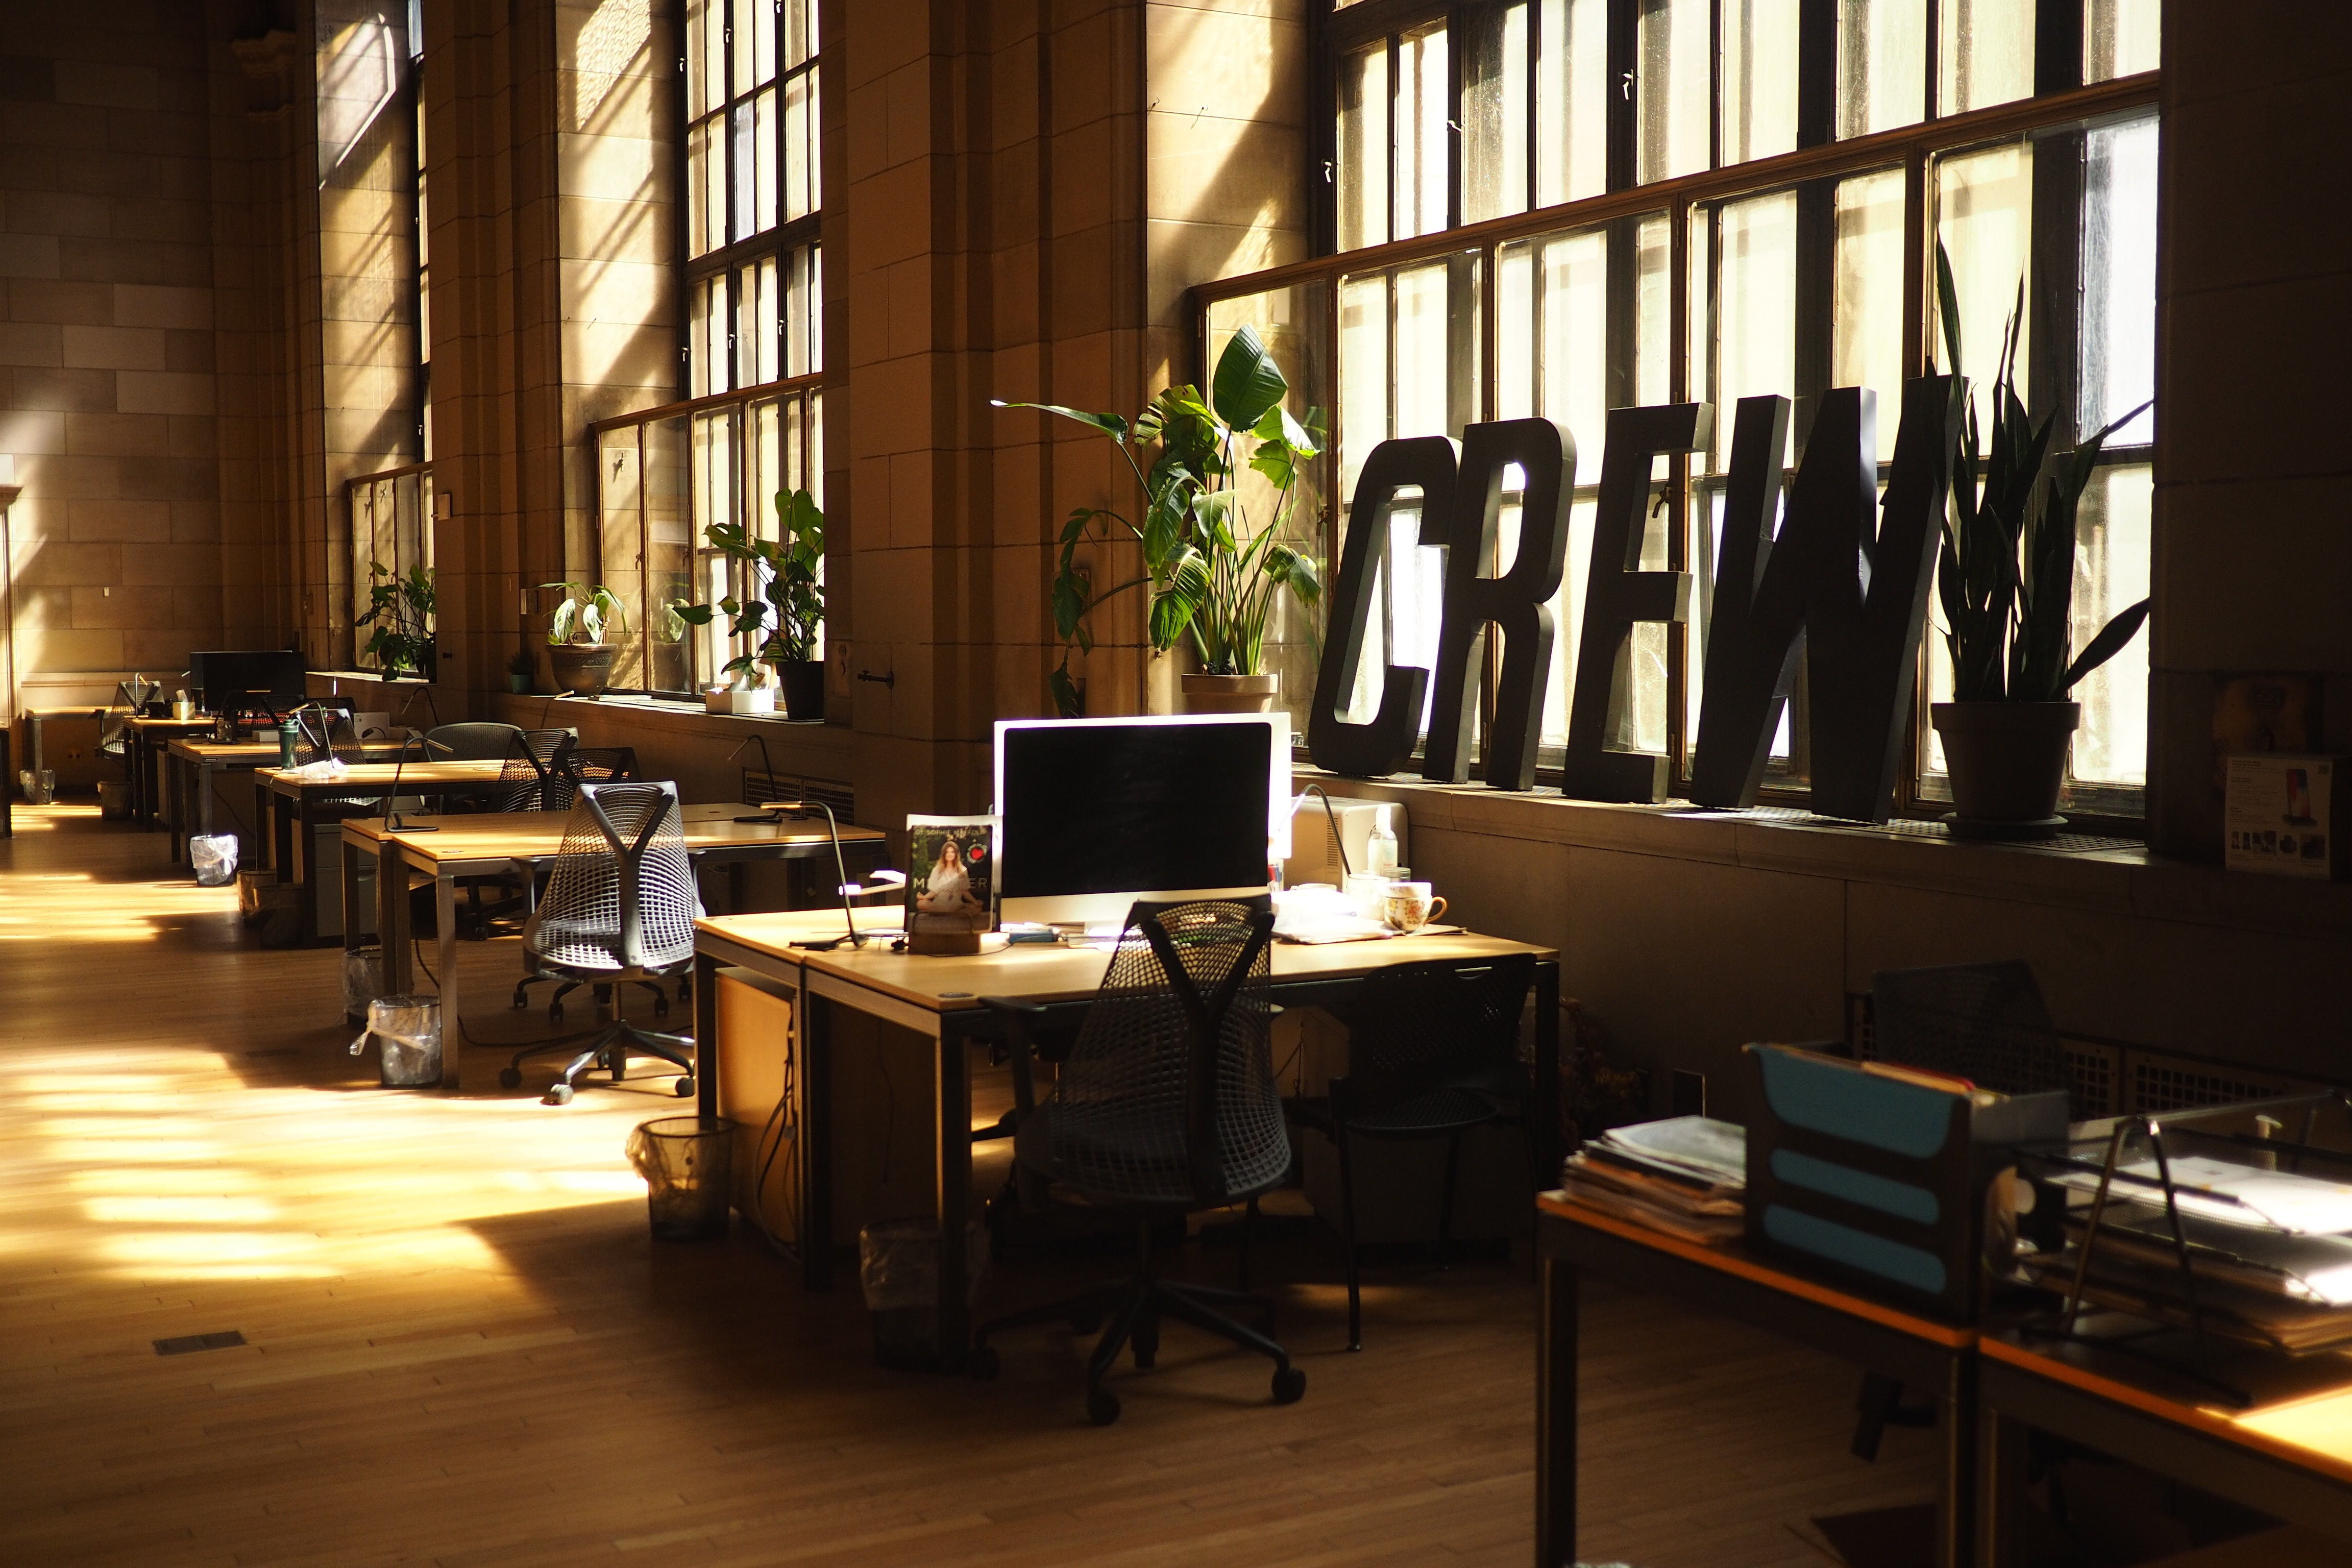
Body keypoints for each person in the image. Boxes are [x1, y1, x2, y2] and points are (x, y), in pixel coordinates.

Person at [917, 836, 983, 919]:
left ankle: (947, 912)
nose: (950, 854)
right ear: (944, 854)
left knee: (977, 909)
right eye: (947, 852)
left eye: (952, 852)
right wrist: (924, 897)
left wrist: (975, 902)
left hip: (956, 905)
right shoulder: (937, 870)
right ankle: (949, 912)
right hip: (939, 904)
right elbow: (934, 892)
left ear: (956, 854)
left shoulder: (963, 870)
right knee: (921, 904)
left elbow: (965, 891)